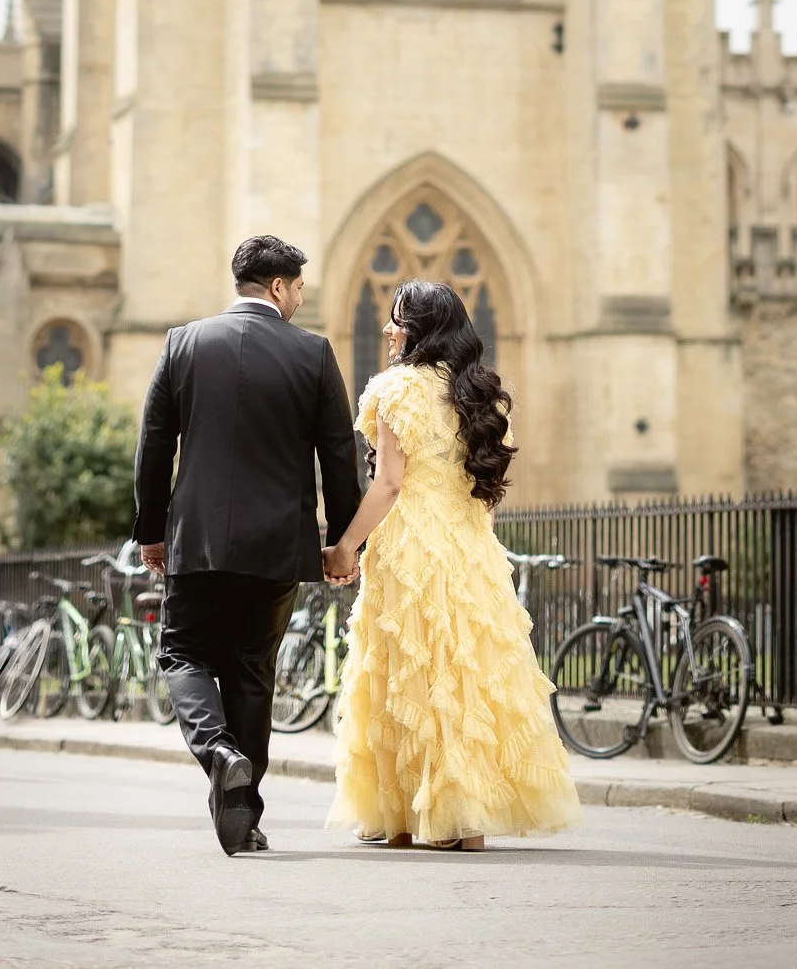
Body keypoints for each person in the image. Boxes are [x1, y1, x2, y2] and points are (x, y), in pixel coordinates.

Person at [321, 277, 581, 851]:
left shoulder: (395, 390)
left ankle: (412, 814)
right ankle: (464, 818)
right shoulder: (479, 394)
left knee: (409, 671)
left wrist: (344, 547)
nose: (387, 328)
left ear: (420, 329)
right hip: (470, 544)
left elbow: (388, 484)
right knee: (466, 670)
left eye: (397, 319)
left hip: (410, 541)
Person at [135, 230, 359, 855]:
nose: (299, 304)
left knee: (183, 654)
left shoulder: (184, 343)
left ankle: (218, 751)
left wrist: (151, 531)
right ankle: (246, 816)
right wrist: (343, 543)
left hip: (198, 540)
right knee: (252, 675)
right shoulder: (312, 354)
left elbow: (155, 445)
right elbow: (339, 457)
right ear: (280, 286)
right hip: (276, 545)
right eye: (298, 292)